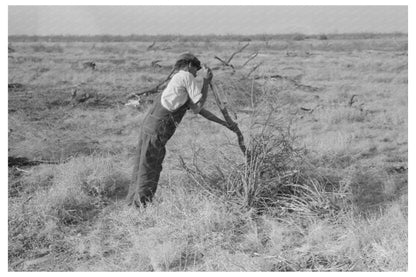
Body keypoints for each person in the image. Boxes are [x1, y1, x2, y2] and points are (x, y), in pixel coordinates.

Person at [127, 53, 236, 208]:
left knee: (141, 165)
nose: (195, 74)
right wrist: (205, 82)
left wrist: (224, 123)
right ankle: (141, 207)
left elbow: (198, 109)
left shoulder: (178, 79)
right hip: (157, 129)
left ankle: (133, 203)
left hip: (150, 127)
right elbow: (199, 102)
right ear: (190, 65)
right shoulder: (186, 76)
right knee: (150, 167)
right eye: (195, 71)